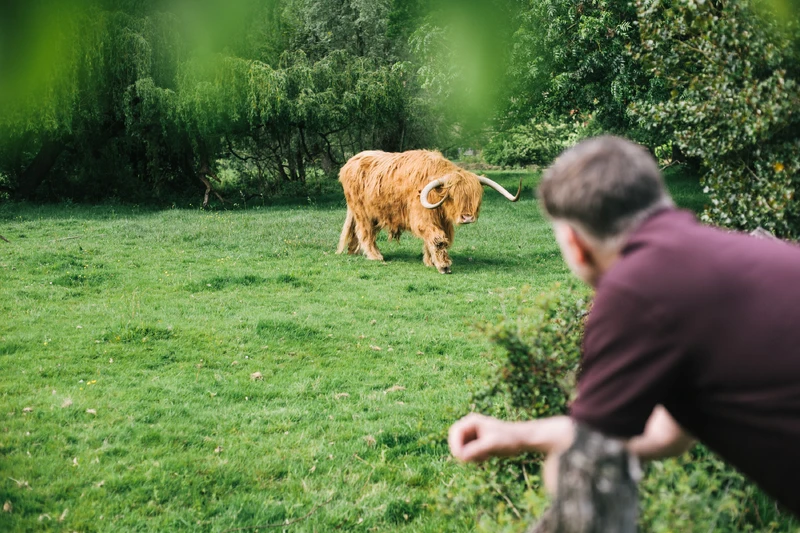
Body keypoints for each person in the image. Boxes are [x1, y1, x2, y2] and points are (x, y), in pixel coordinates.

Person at [448, 135, 800, 516]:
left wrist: (563, 461)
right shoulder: (731, 258)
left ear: (575, 243)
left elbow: (585, 464)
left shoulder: (637, 287)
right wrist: (519, 435)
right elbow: (666, 434)